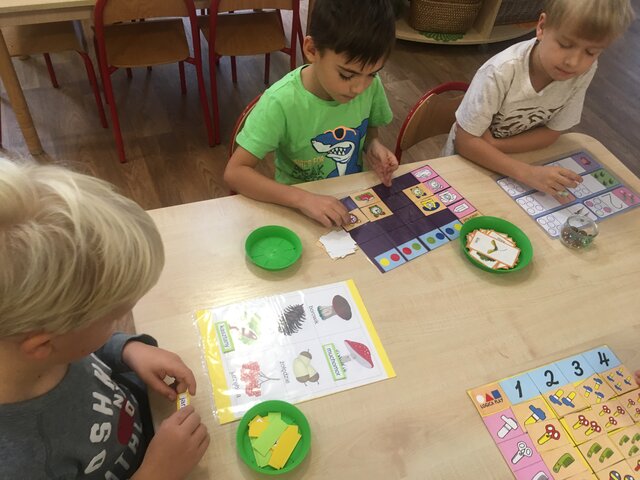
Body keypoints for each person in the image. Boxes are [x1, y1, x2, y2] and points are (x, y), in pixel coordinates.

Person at [0, 158, 209, 479]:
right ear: (42, 345)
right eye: (112, 319)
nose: (120, 322)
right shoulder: (18, 463)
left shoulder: (27, 341)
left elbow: (80, 346)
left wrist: (126, 350)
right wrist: (155, 473)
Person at [224, 0, 398, 228]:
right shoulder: (280, 102)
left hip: (350, 196)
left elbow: (368, 127)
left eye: (372, 74)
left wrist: (372, 144)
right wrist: (302, 199)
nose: (359, 88)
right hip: (298, 207)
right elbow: (235, 173)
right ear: (312, 50)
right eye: (347, 75)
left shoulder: (370, 87)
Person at [443, 0, 635, 198]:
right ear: (542, 26)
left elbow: (552, 133)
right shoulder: (501, 71)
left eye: (591, 52)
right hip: (466, 167)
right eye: (565, 45)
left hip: (518, 161)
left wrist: (497, 146)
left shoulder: (584, 71)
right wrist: (527, 173)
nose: (573, 62)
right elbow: (465, 142)